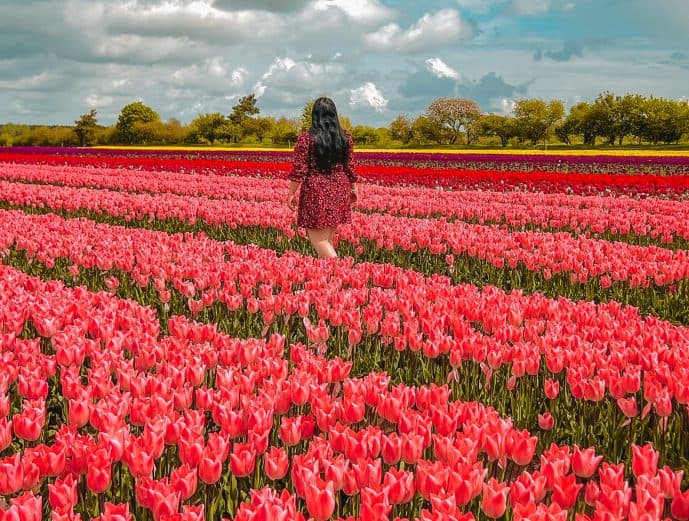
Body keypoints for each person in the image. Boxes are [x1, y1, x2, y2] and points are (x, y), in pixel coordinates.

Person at [287, 97, 358, 258]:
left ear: (315, 115)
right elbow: (350, 167)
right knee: (327, 240)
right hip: (340, 189)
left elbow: (300, 169)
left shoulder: (307, 138)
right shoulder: (345, 138)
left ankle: (341, 272)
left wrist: (291, 193)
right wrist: (354, 189)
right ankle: (328, 281)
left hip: (317, 192)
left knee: (319, 241)